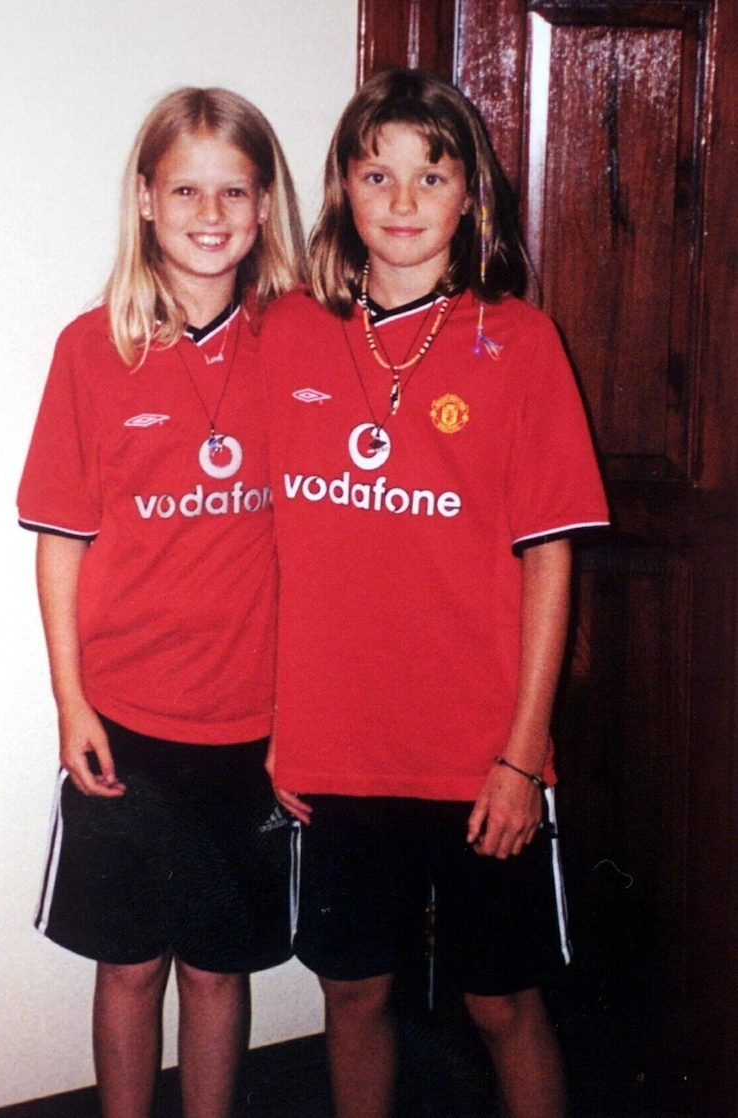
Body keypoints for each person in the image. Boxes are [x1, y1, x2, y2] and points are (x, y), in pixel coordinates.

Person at [261, 68, 609, 1118]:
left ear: (472, 198)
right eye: (378, 173)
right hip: (337, 756)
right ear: (343, 191)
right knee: (353, 988)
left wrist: (520, 752)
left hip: (477, 757)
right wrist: (281, 728)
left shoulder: (521, 342)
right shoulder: (289, 334)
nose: (403, 201)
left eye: (431, 174)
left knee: (501, 1004)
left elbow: (551, 558)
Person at [17, 87, 305, 1118]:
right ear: (145, 199)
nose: (210, 210)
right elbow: (61, 542)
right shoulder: (90, 349)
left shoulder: (303, 347)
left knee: (220, 968)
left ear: (266, 205)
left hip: (257, 730)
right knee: (131, 966)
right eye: (185, 187)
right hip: (126, 728)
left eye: (234, 188)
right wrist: (71, 702)